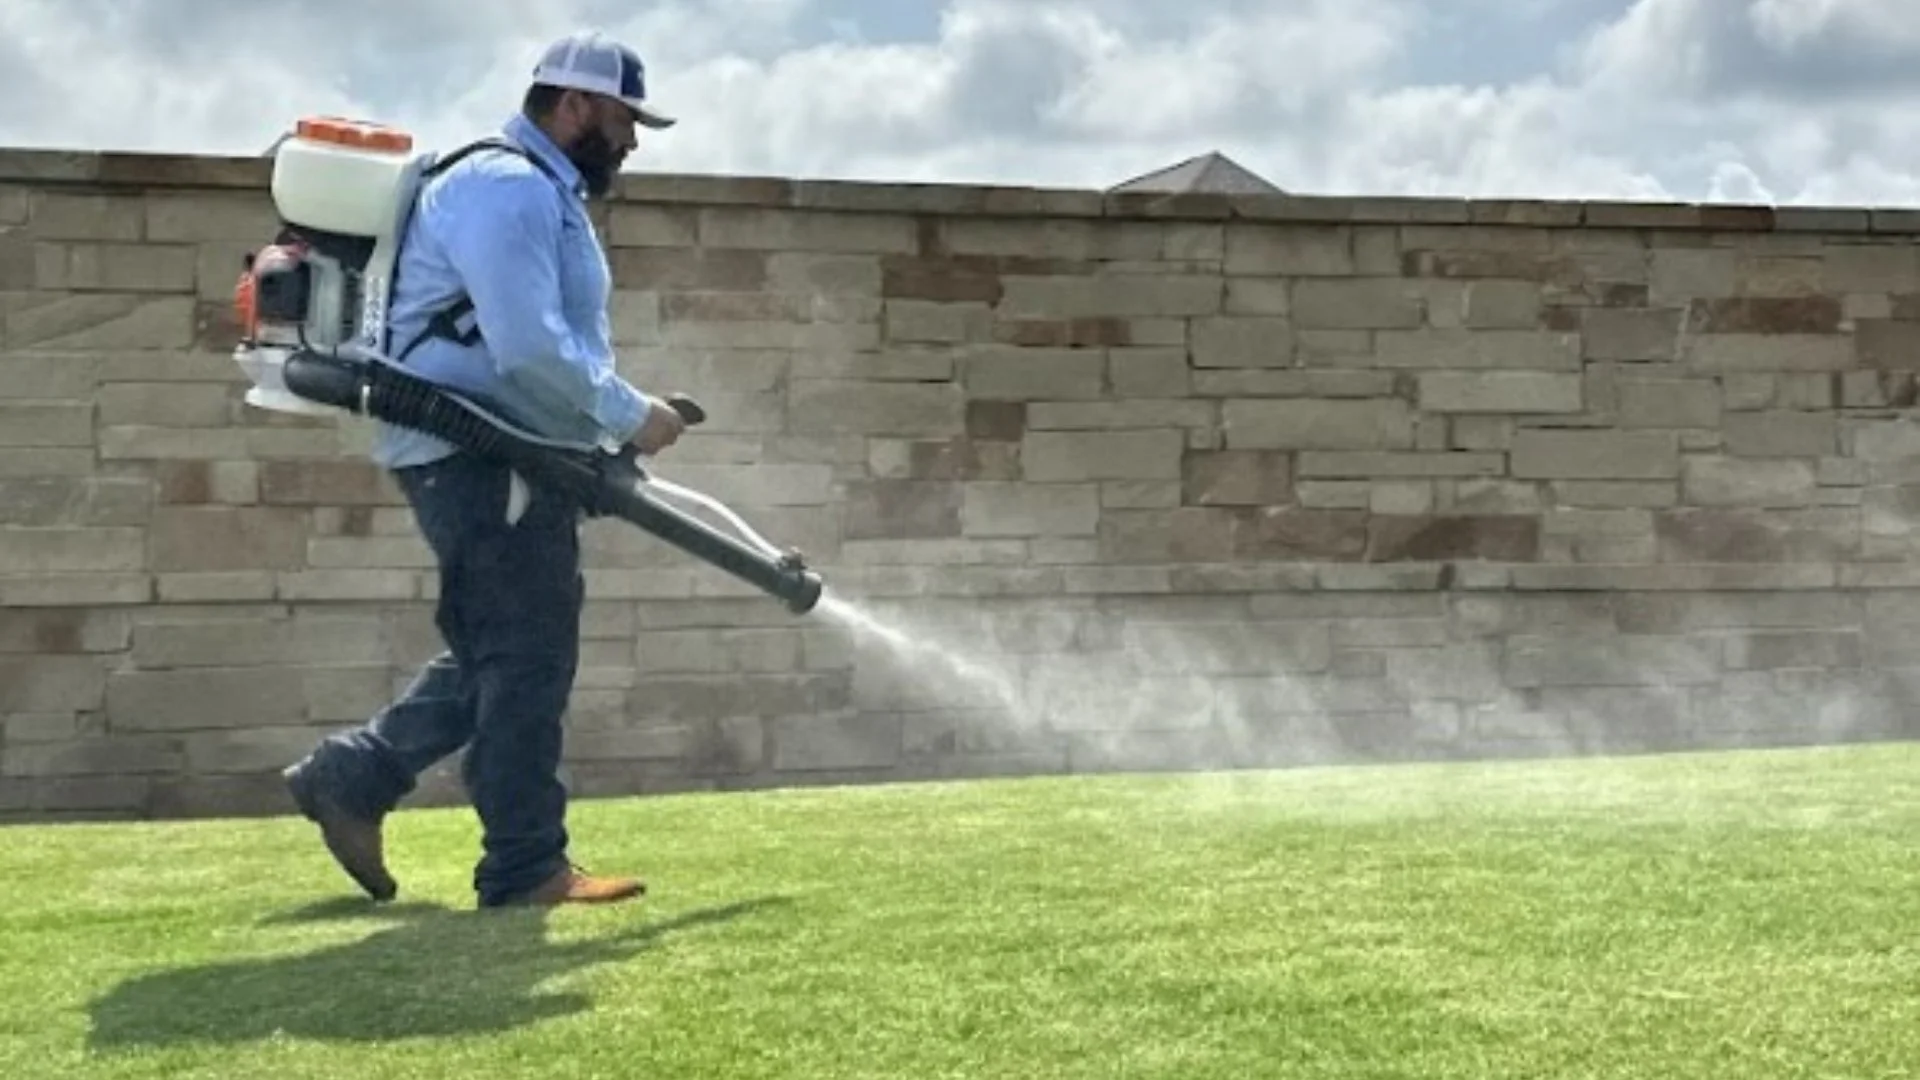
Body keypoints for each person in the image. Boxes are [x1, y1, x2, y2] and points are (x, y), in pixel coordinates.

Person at [280, 30, 686, 909]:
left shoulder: (531, 187)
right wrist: (630, 415)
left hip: (493, 450)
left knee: (499, 650)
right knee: (527, 656)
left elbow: (535, 350)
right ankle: (524, 867)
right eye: (624, 118)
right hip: (472, 452)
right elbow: (528, 344)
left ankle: (351, 778)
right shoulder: (506, 187)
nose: (632, 139)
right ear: (574, 105)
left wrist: (597, 436)